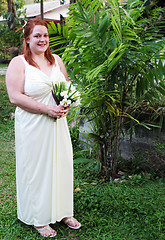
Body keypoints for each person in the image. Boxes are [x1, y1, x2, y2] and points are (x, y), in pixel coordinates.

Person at [6, 18, 81, 238]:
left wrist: (66, 105)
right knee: (37, 170)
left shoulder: (57, 60)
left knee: (61, 165)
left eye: (45, 35)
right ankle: (39, 218)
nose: (43, 39)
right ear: (27, 39)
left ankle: (63, 211)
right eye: (37, 35)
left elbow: (67, 88)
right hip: (33, 125)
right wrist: (45, 109)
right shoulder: (19, 63)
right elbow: (14, 97)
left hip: (58, 125)